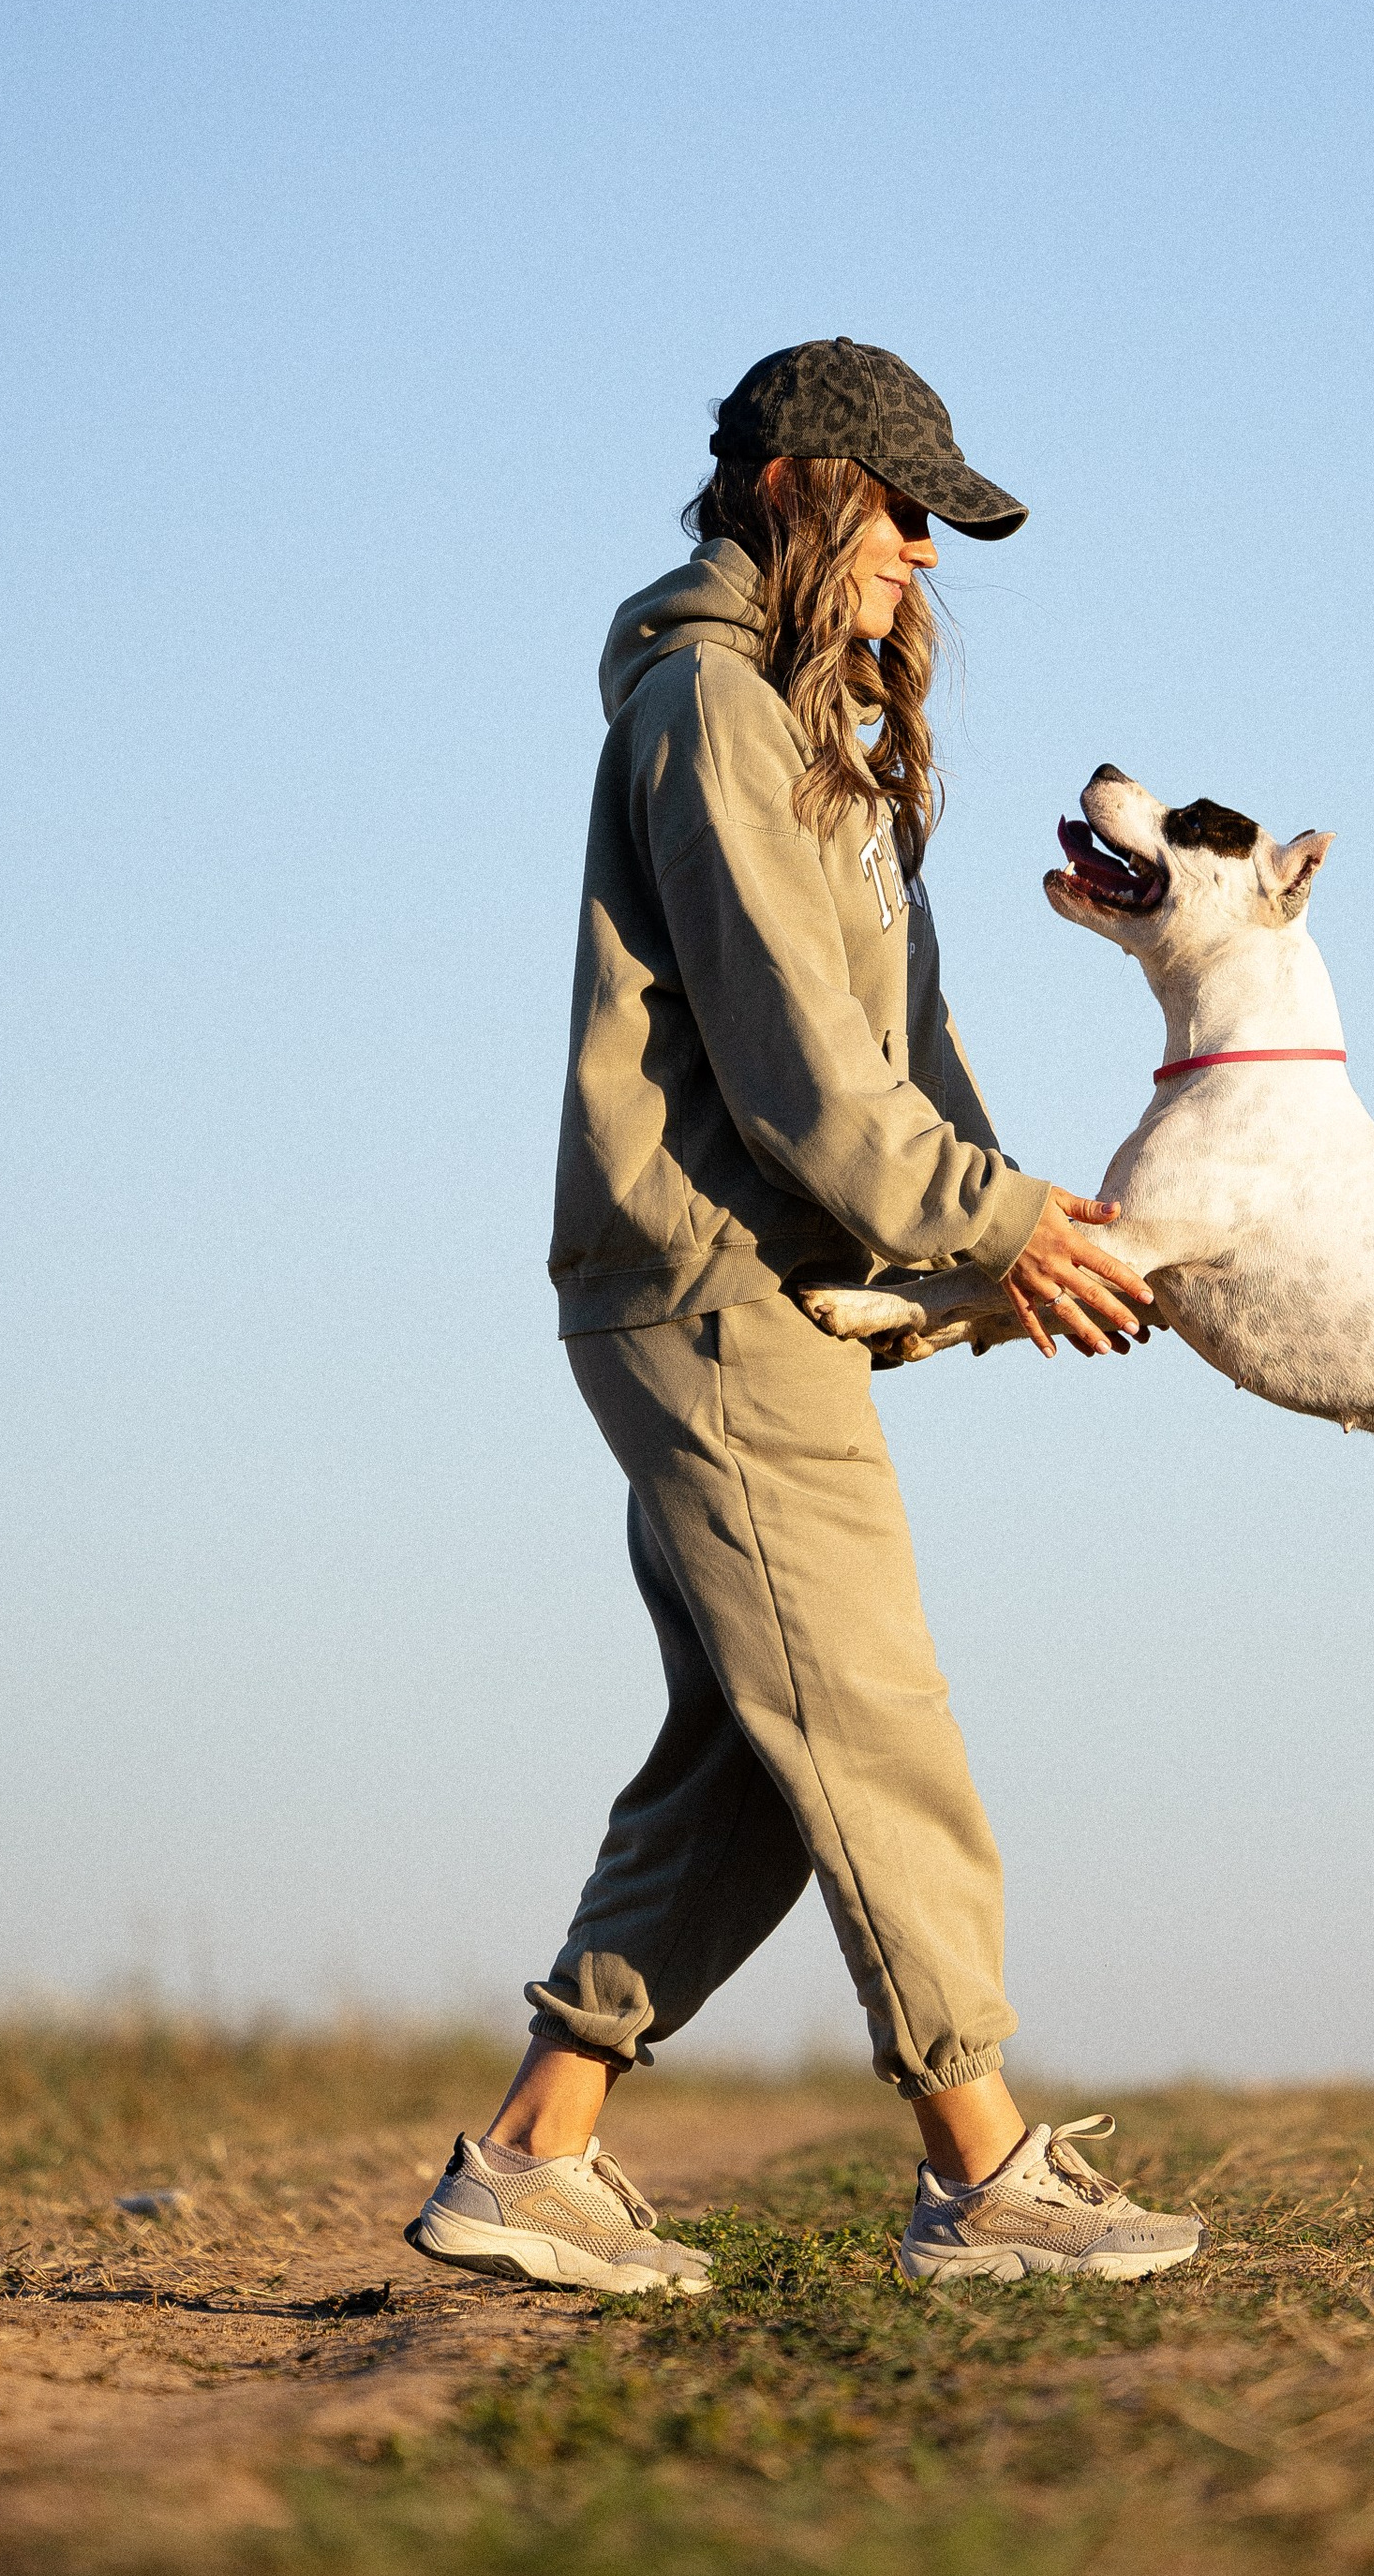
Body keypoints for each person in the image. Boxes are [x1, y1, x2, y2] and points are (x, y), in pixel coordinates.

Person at [407, 339, 1207, 2294]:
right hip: (701, 1285)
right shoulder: (704, 708)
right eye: (902, 508)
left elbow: (896, 1045)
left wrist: (1007, 1238)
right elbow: (785, 1063)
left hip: (773, 1286)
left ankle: (535, 2150)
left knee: (757, 1760)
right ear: (790, 485)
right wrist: (988, 1228)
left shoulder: (822, 723)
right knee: (866, 1715)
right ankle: (981, 2165)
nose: (923, 554)